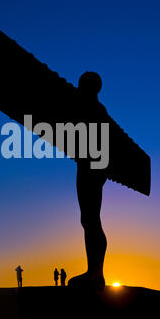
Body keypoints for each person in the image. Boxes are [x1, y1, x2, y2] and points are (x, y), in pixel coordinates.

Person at [68, 72, 108, 292]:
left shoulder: (92, 108)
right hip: (91, 166)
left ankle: (95, 273)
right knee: (89, 219)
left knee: (90, 219)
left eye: (81, 84)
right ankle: (94, 272)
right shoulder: (96, 109)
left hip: (90, 167)